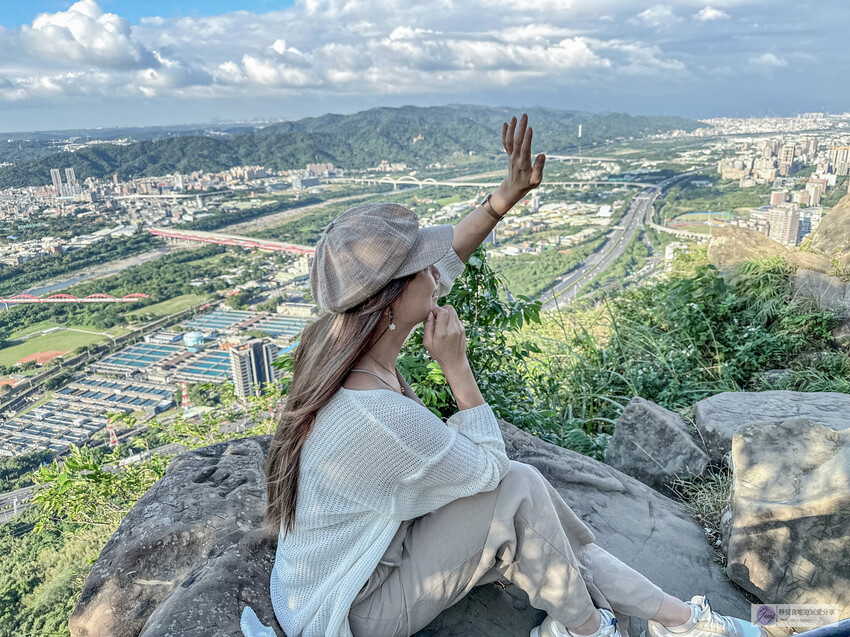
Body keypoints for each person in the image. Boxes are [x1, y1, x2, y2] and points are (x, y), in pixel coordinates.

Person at [240, 114, 766, 637]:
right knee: (515, 487)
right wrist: (456, 366)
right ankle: (599, 629)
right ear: (392, 300)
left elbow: (448, 257)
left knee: (531, 496)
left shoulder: (337, 340)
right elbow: (492, 469)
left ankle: (673, 619)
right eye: (423, 267)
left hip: (372, 555)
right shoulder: (377, 416)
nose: (437, 272)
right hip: (346, 609)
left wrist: (503, 198)